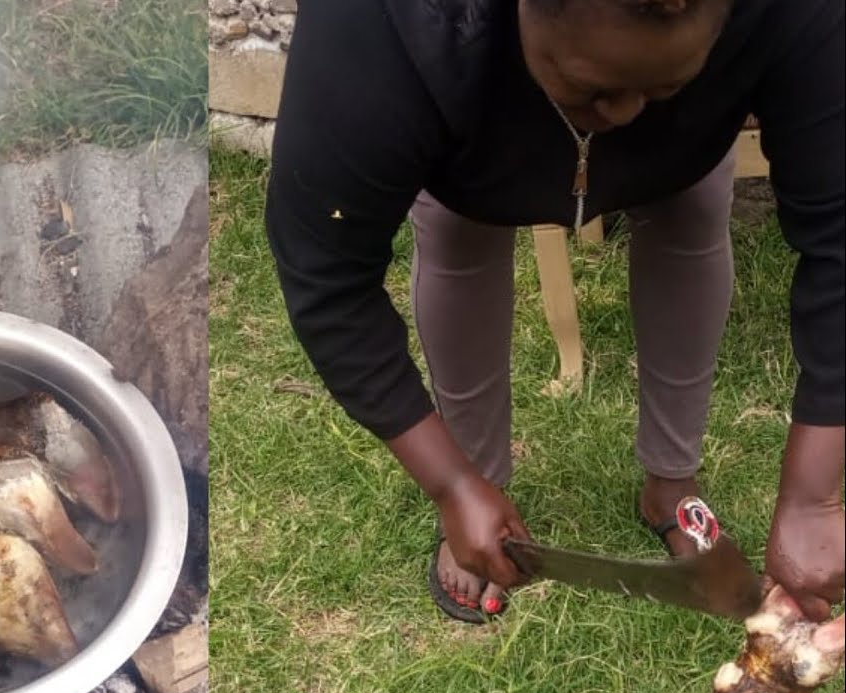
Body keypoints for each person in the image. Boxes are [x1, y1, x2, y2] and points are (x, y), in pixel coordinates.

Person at [264, 0, 843, 623]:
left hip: (685, 146)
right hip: (472, 126)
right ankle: (478, 486)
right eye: (595, 88)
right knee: (460, 234)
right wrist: (451, 483)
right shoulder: (380, 20)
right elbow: (327, 273)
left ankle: (672, 485)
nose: (622, 114)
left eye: (662, 84)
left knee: (691, 213)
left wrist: (813, 496)